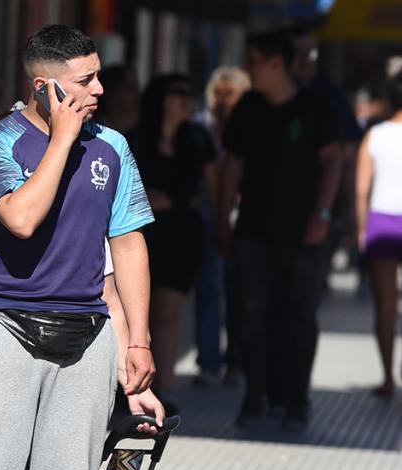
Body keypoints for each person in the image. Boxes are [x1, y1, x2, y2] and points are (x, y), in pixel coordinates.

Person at [0, 25, 162, 470]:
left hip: (87, 336)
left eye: (98, 77)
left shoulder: (112, 146)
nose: (99, 90)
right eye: (85, 80)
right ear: (45, 86)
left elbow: (128, 242)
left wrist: (139, 342)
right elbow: (21, 219)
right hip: (2, 328)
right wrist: (63, 141)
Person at [216, 31, 341, 429]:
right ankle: (256, 394)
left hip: (304, 232)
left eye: (253, 60)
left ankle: (296, 398)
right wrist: (223, 218)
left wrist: (322, 214)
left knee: (301, 314)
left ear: (276, 64)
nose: (247, 68)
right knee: (250, 313)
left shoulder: (315, 107)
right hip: (254, 228)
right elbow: (232, 165)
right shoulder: (248, 108)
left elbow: (333, 160)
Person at [134, 73, 217, 410]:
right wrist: (147, 199)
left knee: (168, 315)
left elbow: (214, 187)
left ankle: (163, 391)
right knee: (139, 315)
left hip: (183, 235)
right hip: (142, 235)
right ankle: (134, 388)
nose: (186, 99)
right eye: (177, 92)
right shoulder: (136, 139)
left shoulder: (197, 138)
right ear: (160, 99)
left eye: (189, 92)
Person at [194, 67, 250, 386]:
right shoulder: (202, 126)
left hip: (242, 216)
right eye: (221, 95)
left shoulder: (251, 128)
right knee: (210, 287)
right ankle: (208, 360)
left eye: (233, 96)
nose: (226, 102)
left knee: (240, 291)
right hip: (206, 214)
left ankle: (237, 359)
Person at [355, 71, 402, 400]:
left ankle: (388, 378)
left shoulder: (375, 135)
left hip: (382, 222)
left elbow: (360, 191)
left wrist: (360, 229)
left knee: (385, 308)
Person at [92, 64, 141, 137]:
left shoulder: (137, 133)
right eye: (128, 88)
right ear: (109, 92)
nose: (137, 93)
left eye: (136, 87)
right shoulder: (94, 133)